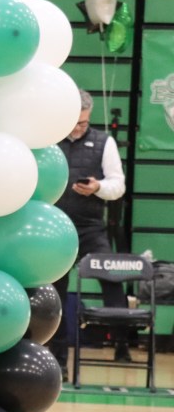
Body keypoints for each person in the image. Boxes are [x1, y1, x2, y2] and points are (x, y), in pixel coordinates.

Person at [49, 89, 129, 369]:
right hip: (55, 230)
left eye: (83, 123)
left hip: (90, 228)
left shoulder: (104, 142)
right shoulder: (48, 140)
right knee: (55, 294)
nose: (77, 128)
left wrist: (98, 187)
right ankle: (58, 360)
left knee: (113, 280)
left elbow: (118, 186)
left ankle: (122, 344)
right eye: (74, 122)